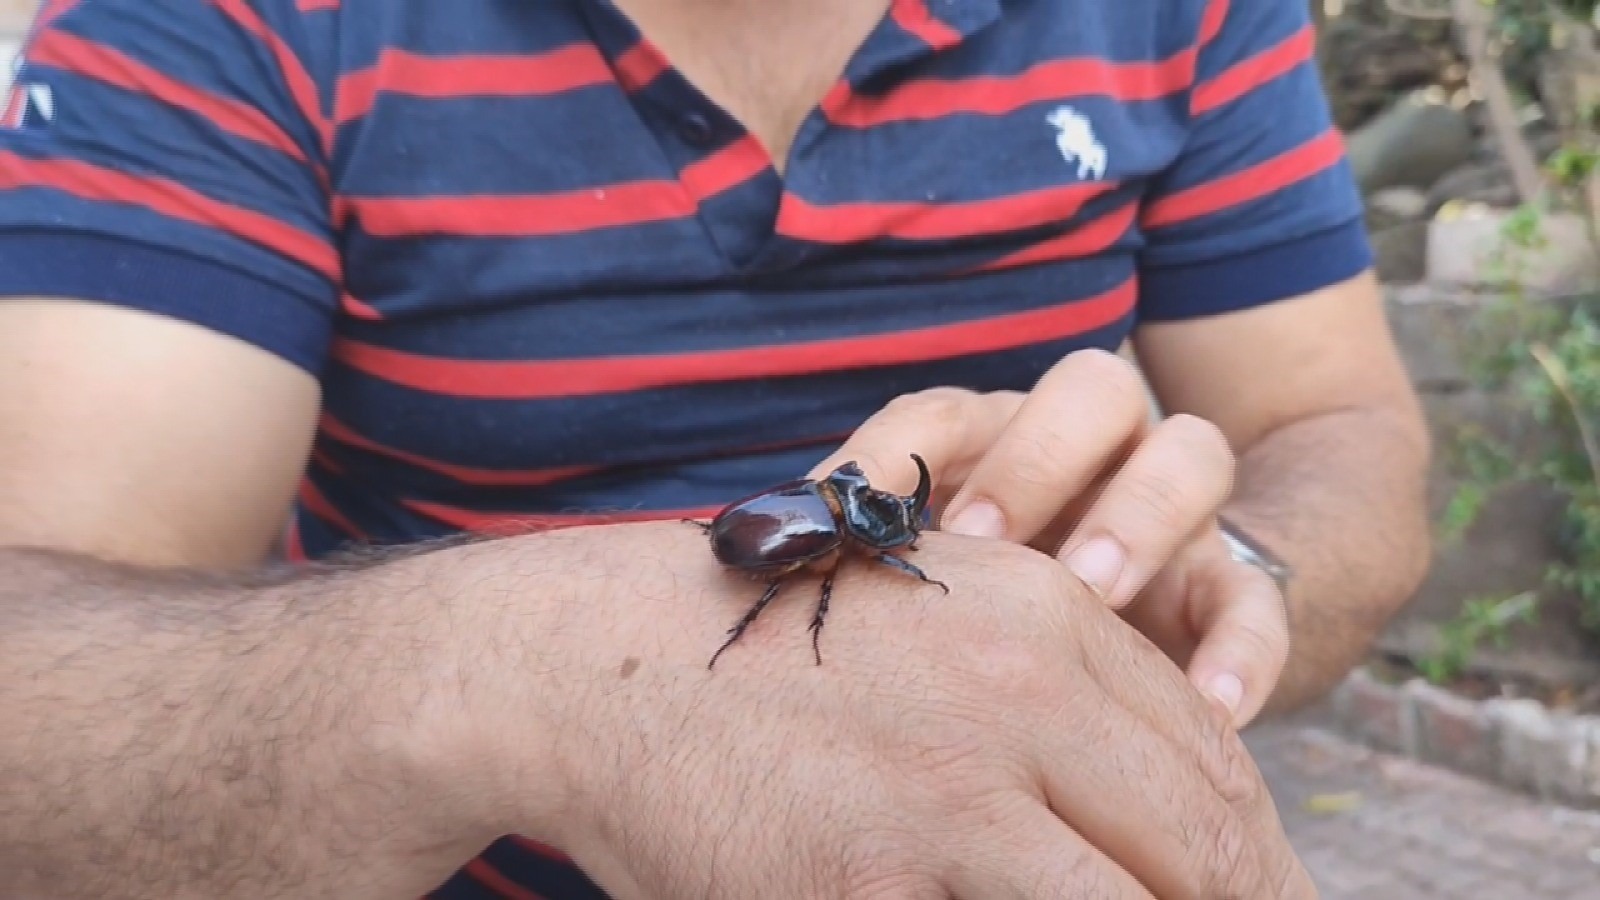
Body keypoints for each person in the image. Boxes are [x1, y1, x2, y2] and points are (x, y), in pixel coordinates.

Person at [0, 0, 1432, 896]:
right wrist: (529, 665)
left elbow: (1339, 425)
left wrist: (1207, 574)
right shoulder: (215, 26)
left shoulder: (1188, 14)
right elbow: (35, 673)